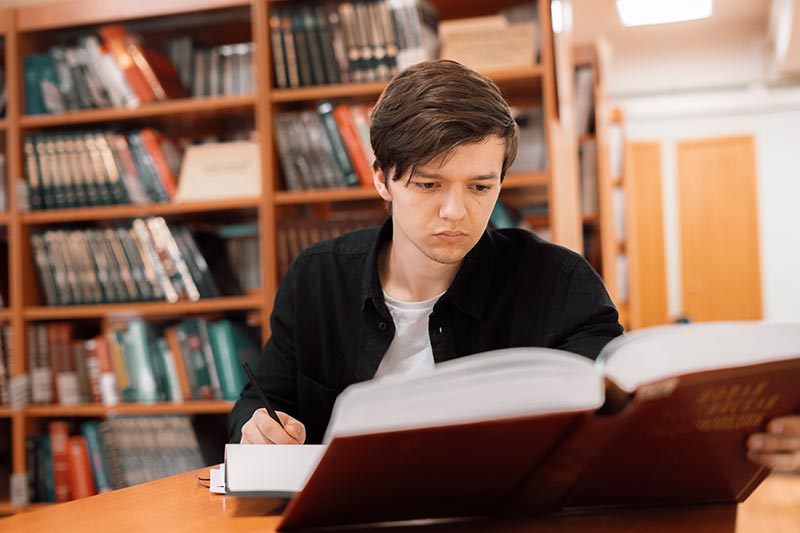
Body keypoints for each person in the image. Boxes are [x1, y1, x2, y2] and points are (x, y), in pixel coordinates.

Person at [228, 60, 800, 472]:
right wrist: (256, 427)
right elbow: (262, 402)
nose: (458, 212)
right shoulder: (316, 276)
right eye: (429, 184)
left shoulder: (558, 283)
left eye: (481, 186)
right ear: (381, 178)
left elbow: (622, 423)